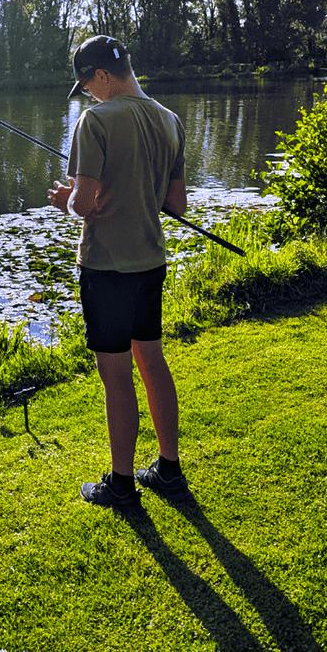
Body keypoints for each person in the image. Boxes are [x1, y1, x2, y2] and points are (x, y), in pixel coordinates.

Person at [47, 35, 192, 508]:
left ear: (104, 76)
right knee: (152, 361)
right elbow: (176, 204)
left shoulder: (97, 121)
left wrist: (64, 201)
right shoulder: (170, 120)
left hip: (107, 266)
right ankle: (169, 470)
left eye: (88, 83)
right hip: (151, 262)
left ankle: (122, 482)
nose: (87, 93)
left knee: (116, 374)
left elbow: (83, 203)